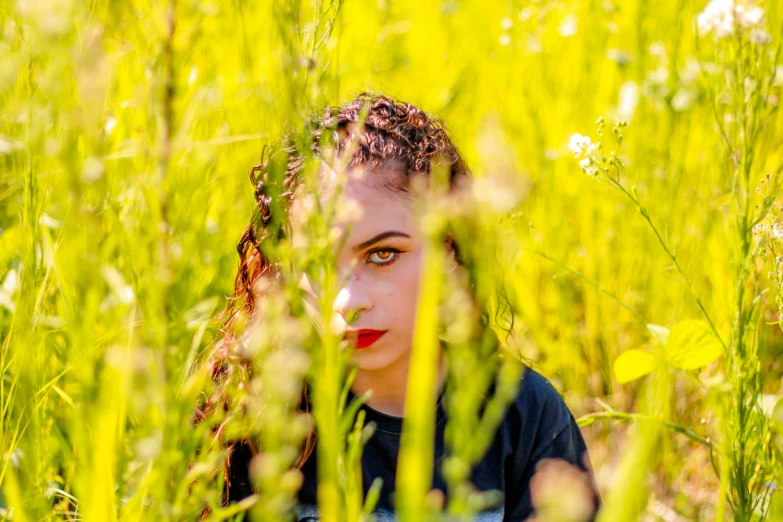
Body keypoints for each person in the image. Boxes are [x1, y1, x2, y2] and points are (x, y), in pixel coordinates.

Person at [204, 92, 599, 521]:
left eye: (383, 254)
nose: (348, 301)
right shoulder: (255, 418)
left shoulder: (525, 416)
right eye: (316, 263)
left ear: (449, 250)